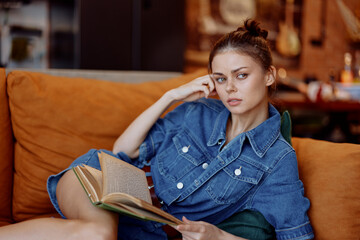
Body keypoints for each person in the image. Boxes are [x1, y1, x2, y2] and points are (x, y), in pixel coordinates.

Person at [0, 19, 314, 240]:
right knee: (97, 233)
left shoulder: (276, 160)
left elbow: (296, 236)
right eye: (220, 78)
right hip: (101, 183)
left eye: (241, 75)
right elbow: (123, 151)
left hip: (148, 230)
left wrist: (219, 237)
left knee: (94, 234)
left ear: (269, 75)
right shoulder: (198, 112)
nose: (229, 88)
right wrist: (171, 96)